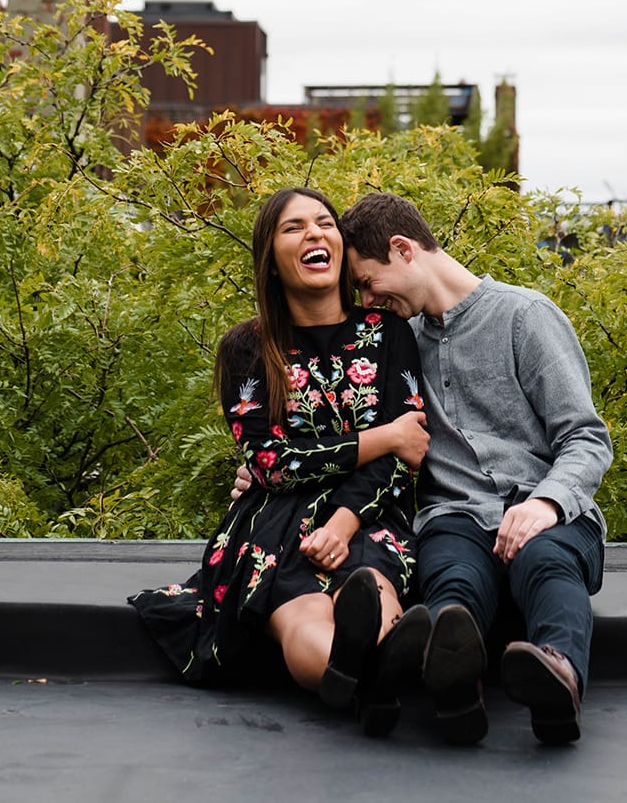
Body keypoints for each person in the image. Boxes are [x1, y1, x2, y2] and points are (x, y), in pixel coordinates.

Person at [130, 187, 431, 735]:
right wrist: (379, 435)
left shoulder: (388, 334)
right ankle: (368, 676)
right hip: (272, 517)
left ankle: (365, 669)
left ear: (341, 244)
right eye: (294, 228)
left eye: (324, 223)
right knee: (301, 611)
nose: (315, 234)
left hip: (366, 513)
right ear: (270, 259)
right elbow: (270, 463)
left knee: (372, 585)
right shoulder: (248, 346)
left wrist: (343, 522)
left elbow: (405, 454)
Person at [340, 191, 612, 747]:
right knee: (451, 572)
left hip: (549, 508)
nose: (368, 299)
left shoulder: (523, 317)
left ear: (403, 249)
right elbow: (347, 420)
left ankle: (558, 675)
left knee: (547, 560)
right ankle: (453, 682)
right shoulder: (398, 344)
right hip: (455, 515)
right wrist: (264, 471)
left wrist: (545, 503)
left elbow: (585, 437)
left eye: (369, 281)